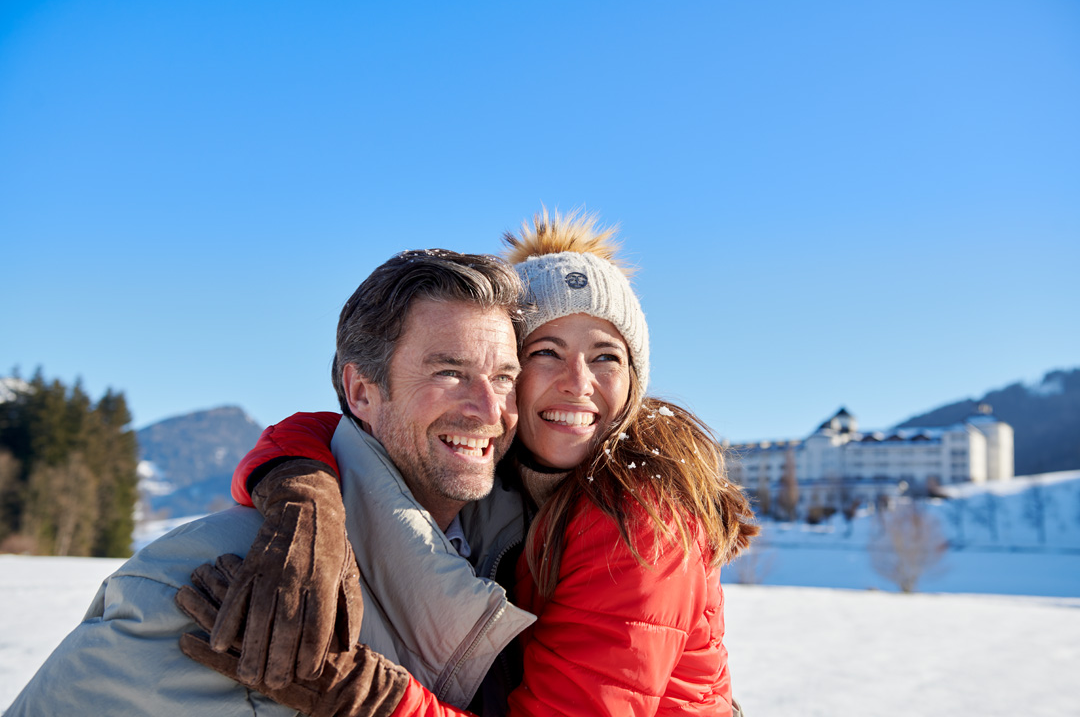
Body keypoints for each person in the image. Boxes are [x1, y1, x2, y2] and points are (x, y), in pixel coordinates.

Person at [182, 209, 759, 715]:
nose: (578, 384)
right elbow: (343, 426)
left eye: (606, 356)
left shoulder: (635, 516)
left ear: (635, 381)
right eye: (545, 353)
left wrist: (357, 691)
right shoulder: (505, 467)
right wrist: (302, 492)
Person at [5, 249, 537, 716]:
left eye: (504, 378)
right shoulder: (215, 580)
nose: (490, 409)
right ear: (362, 392)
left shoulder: (528, 551)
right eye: (450, 372)